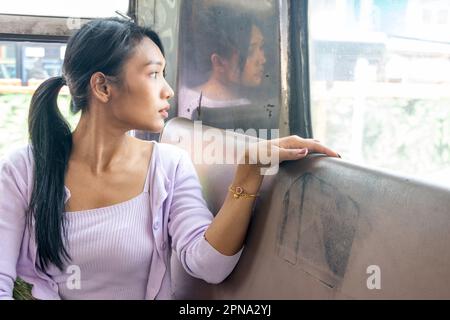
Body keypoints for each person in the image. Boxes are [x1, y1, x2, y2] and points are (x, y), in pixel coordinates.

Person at [0, 18, 339, 300]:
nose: (168, 90)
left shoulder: (168, 166)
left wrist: (249, 171)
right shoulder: (22, 170)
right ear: (102, 88)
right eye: (152, 74)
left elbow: (208, 265)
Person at [178, 6, 267, 119]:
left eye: (262, 47)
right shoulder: (184, 102)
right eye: (250, 52)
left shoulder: (248, 108)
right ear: (219, 62)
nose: (263, 60)